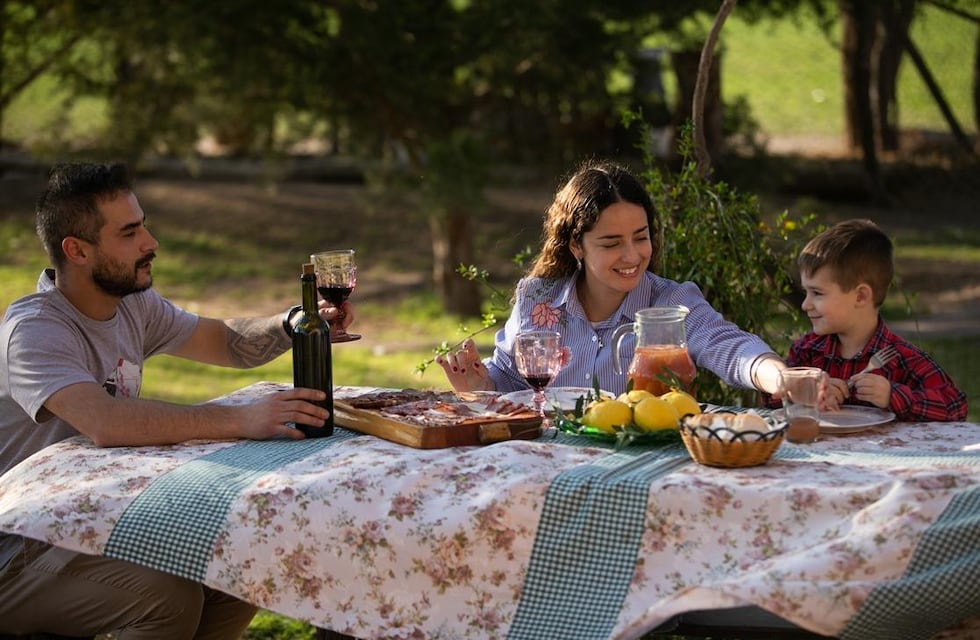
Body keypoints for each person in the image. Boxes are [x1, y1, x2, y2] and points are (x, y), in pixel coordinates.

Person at [0, 161, 353, 638]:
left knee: (235, 562)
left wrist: (294, 323)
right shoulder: (35, 330)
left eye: (143, 224)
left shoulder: (132, 304)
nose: (151, 243)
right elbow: (104, 421)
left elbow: (225, 341)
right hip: (20, 544)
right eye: (129, 233)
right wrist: (240, 419)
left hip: (92, 518)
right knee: (167, 600)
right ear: (77, 250)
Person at [437, 159, 787, 397]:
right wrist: (482, 382)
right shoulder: (537, 298)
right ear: (577, 244)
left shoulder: (669, 303)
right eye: (611, 242)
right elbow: (510, 379)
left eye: (640, 236)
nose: (632, 256)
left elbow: (731, 347)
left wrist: (779, 377)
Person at [782, 218, 967, 422]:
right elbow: (771, 398)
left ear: (861, 296)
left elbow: (955, 406)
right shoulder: (807, 352)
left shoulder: (899, 358)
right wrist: (806, 394)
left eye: (816, 293)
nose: (805, 304)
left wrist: (893, 395)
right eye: (806, 292)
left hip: (887, 454)